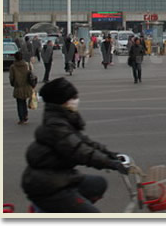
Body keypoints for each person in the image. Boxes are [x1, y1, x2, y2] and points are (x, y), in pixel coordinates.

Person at [21, 78, 129, 213]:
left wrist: (110, 154)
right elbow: (80, 152)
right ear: (61, 101)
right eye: (72, 97)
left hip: (59, 177)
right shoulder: (56, 125)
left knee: (98, 184)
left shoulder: (63, 120)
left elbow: (85, 142)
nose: (76, 100)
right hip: (48, 187)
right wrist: (110, 163)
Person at [9, 52, 35, 125]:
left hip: (18, 87)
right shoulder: (27, 65)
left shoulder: (13, 67)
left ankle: (21, 118)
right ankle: (25, 115)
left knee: (20, 103)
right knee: (24, 101)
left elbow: (11, 78)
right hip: (27, 86)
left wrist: (13, 84)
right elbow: (31, 75)